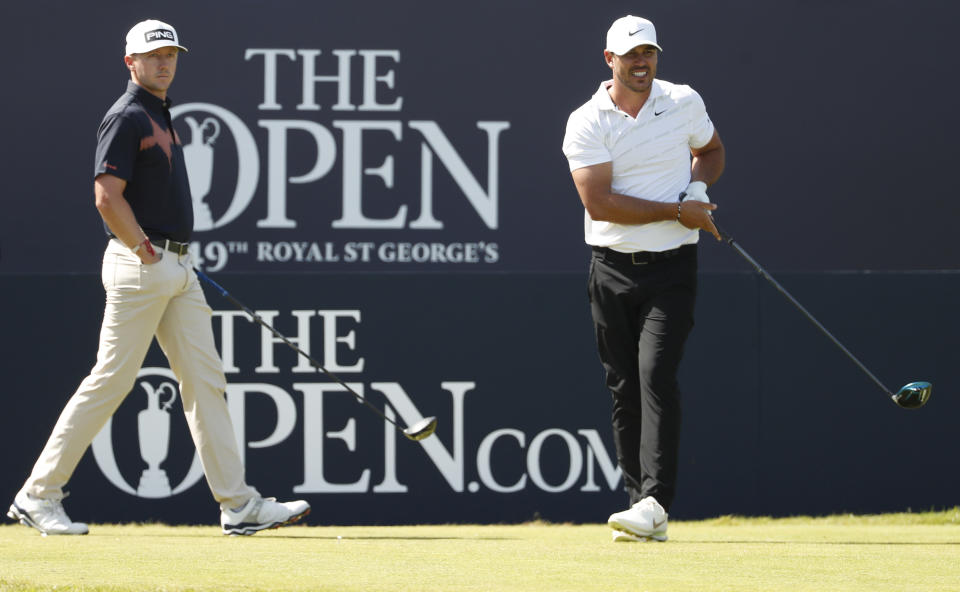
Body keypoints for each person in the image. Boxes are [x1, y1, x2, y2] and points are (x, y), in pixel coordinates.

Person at [6, 19, 310, 536]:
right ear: (131, 63)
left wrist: (169, 258)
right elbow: (106, 195)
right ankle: (38, 494)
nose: (164, 62)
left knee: (205, 381)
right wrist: (147, 251)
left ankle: (238, 505)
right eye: (154, 55)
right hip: (142, 266)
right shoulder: (126, 116)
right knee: (111, 381)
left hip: (176, 268)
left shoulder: (160, 114)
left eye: (171, 53)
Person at [562, 15, 725, 542]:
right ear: (608, 60)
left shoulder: (683, 101)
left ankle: (655, 501)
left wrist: (696, 192)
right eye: (630, 55)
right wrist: (678, 211)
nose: (641, 63)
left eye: (649, 53)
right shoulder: (587, 120)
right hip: (609, 267)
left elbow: (711, 151)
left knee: (655, 373)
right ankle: (640, 505)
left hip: (672, 267)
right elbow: (600, 203)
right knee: (623, 385)